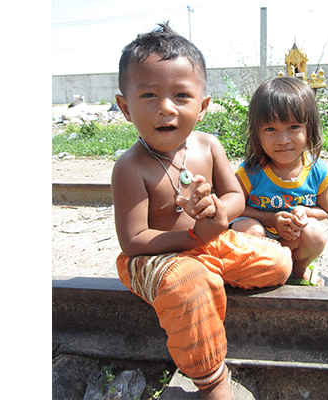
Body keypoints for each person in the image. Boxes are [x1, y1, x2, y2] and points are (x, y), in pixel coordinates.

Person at [111, 23, 292, 400]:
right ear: (125, 107)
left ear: (203, 106)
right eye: (148, 95)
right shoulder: (131, 167)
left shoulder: (208, 146)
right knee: (188, 284)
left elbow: (235, 196)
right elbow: (134, 241)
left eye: (181, 95)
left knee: (278, 262)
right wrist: (194, 235)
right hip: (158, 258)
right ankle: (212, 381)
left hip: (209, 243)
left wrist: (218, 212)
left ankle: (209, 277)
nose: (166, 108)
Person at [230, 77, 328, 287]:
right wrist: (272, 219)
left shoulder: (318, 171)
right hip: (260, 239)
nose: (283, 140)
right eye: (270, 129)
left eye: (293, 127)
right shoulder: (250, 172)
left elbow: (324, 210)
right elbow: (234, 208)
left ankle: (297, 271)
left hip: (292, 238)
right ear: (256, 133)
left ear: (309, 128)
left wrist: (304, 212)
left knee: (315, 233)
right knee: (249, 230)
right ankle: (258, 272)